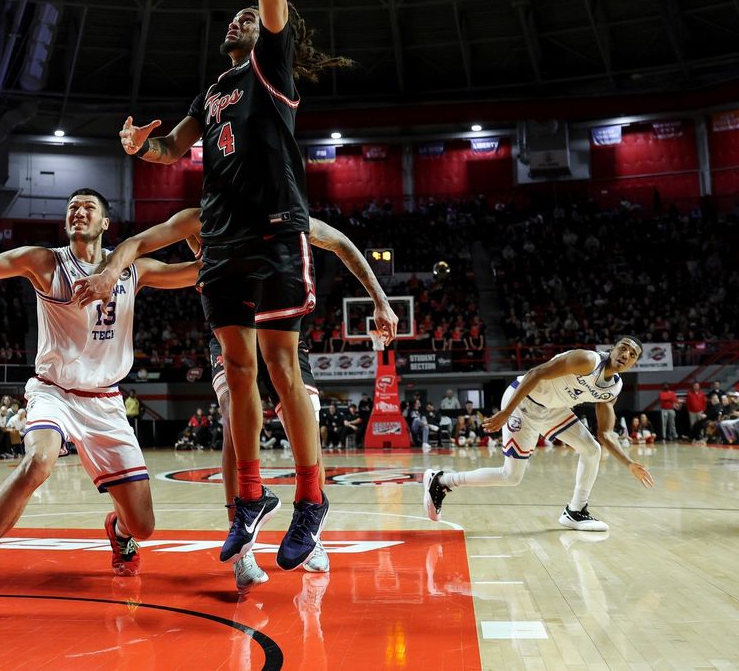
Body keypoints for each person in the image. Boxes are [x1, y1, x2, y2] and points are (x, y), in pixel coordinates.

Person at [116, 0, 359, 570]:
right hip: (221, 239)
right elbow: (174, 149)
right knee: (241, 370)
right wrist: (141, 146)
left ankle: (312, 496)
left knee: (285, 369)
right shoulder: (211, 88)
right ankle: (251, 495)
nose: (242, 15)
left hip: (274, 224)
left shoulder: (270, 69)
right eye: (236, 16)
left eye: (252, 16)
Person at [75, 208, 396, 585]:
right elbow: (137, 243)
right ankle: (242, 545)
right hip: (230, 328)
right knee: (232, 422)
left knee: (305, 414)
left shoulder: (281, 210)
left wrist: (380, 300)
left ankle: (311, 531)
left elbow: (341, 241)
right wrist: (110, 272)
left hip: (279, 326)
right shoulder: (203, 216)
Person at [0, 188, 199, 624]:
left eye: (89, 207)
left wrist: (201, 237)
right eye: (71, 206)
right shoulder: (46, 261)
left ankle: (118, 530)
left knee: (144, 527)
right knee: (38, 462)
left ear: (105, 223)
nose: (78, 211)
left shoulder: (131, 268)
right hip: (53, 390)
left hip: (106, 402)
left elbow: (198, 272)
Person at [424, 337, 655, 532]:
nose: (626, 354)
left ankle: (575, 511)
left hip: (554, 410)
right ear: (612, 348)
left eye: (632, 354)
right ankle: (442, 481)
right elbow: (535, 373)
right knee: (511, 477)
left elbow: (605, 433)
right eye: (623, 348)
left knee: (592, 449)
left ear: (633, 363)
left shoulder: (613, 388)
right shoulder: (587, 360)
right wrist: (506, 412)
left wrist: (629, 463)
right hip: (523, 403)